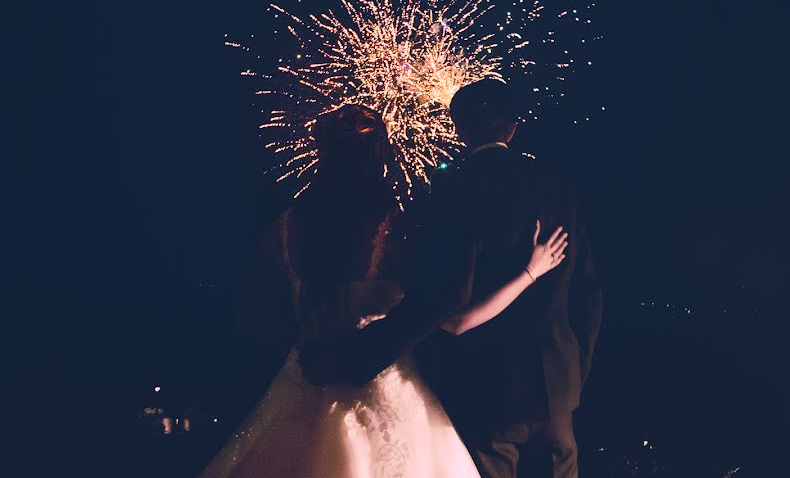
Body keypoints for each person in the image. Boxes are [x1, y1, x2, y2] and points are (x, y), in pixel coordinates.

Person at [201, 104, 568, 478]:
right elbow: (450, 315)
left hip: (301, 381)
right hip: (382, 387)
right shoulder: (397, 231)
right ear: (379, 155)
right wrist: (529, 271)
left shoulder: (285, 229)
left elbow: (255, 321)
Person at [303, 80, 603, 478]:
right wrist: (575, 374)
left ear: (459, 129)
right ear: (511, 129)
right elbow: (589, 295)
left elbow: (442, 299)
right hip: (558, 388)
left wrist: (357, 355)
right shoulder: (561, 191)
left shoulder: (453, 191)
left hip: (486, 385)